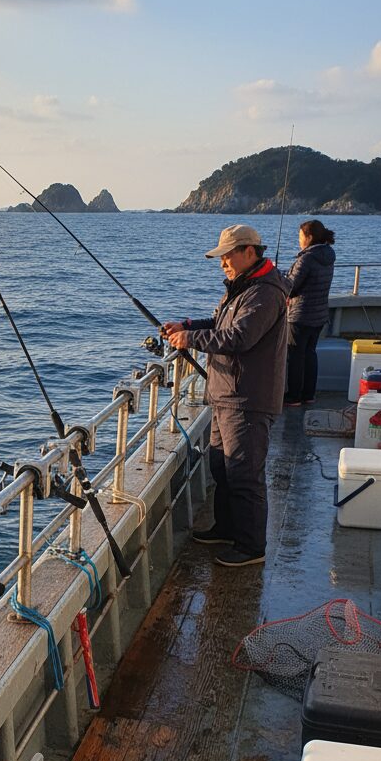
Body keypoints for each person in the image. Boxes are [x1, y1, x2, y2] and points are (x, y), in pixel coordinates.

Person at [163, 224, 288, 568]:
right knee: (222, 466)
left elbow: (239, 338)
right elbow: (220, 324)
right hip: (225, 394)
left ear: (249, 251)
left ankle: (251, 547)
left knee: (244, 474)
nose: (222, 263)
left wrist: (191, 340)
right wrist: (188, 326)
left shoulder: (265, 292)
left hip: (247, 398)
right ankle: (227, 528)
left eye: (227, 256)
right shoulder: (242, 287)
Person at [283, 219, 336, 405]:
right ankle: (308, 395)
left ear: (309, 237)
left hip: (300, 314)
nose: (299, 240)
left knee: (295, 356)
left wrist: (279, 277)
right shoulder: (328, 255)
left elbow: (291, 286)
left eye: (300, 236)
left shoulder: (306, 259)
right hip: (319, 315)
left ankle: (294, 396)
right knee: (310, 354)